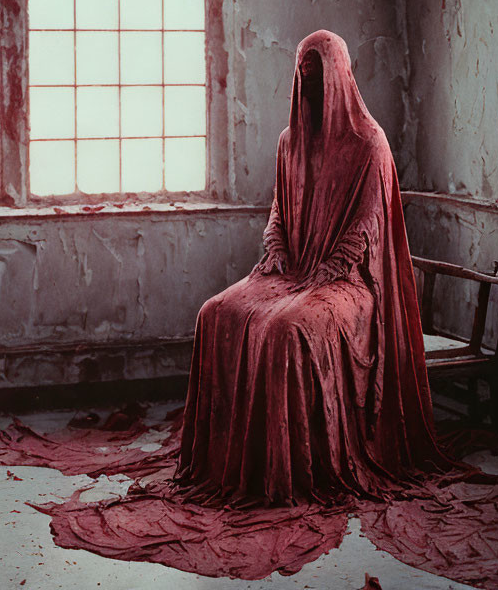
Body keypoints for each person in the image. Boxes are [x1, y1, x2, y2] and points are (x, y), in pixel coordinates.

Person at [174, 29, 458, 506]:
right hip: (290, 268)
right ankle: (230, 460)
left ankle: (292, 470)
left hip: (351, 282)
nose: (307, 86)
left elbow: (366, 225)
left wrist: (329, 269)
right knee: (215, 312)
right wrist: (277, 247)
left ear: (339, 77)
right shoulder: (291, 142)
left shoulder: (371, 144)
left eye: (316, 76)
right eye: (301, 76)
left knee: (288, 329)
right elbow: (279, 210)